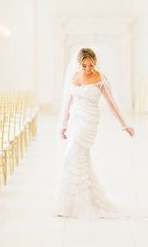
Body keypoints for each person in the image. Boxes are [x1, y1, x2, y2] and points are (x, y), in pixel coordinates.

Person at [52, 47, 135, 219]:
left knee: (72, 155)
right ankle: (76, 203)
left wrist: (124, 124)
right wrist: (63, 125)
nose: (88, 69)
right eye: (85, 65)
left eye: (91, 65)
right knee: (77, 158)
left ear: (95, 62)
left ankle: (81, 201)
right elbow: (69, 101)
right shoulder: (74, 76)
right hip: (75, 119)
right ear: (80, 63)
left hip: (89, 120)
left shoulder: (100, 78)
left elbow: (112, 103)